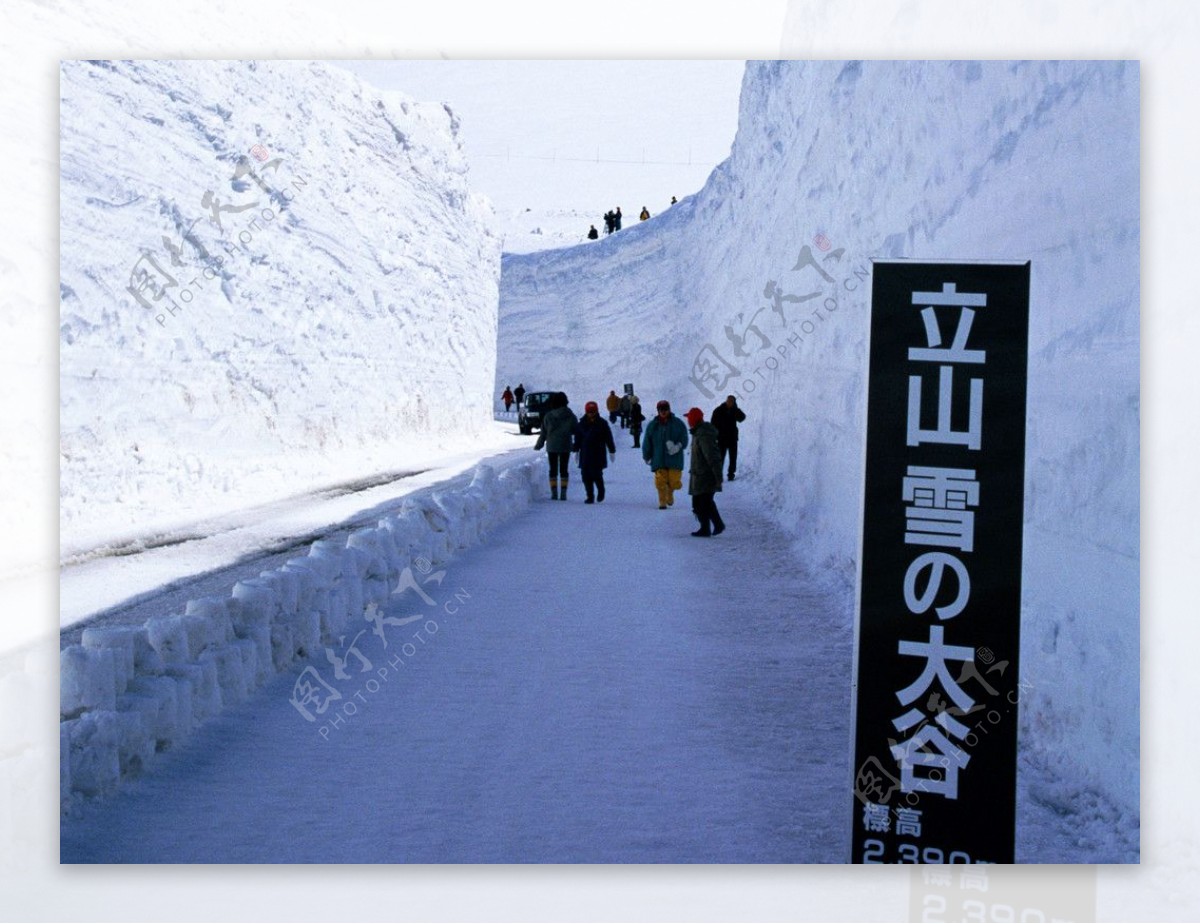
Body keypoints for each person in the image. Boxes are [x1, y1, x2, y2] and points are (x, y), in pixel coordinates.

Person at [684, 408, 725, 537]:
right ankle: (709, 527)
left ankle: (712, 526)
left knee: (702, 503)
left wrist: (717, 475)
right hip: (700, 475)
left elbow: (712, 456)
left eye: (689, 418)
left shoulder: (703, 435)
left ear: (693, 420)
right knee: (703, 503)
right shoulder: (698, 433)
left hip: (705, 476)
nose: (688, 421)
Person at [641, 399, 688, 509]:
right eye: (661, 410)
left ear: (669, 409)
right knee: (660, 481)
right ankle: (662, 502)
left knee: (674, 482)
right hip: (658, 459)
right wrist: (646, 456)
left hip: (675, 459)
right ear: (658, 411)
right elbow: (647, 441)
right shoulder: (652, 425)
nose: (663, 412)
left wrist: (678, 446)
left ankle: (670, 492)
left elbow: (684, 438)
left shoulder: (678, 423)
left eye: (665, 409)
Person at [534, 392, 578, 500]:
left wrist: (539, 445)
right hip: (565, 445)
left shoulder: (548, 416)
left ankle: (554, 493)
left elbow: (543, 433)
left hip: (552, 446)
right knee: (564, 469)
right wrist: (577, 444)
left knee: (553, 470)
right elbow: (576, 430)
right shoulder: (570, 415)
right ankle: (563, 493)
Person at [573, 401, 616, 504]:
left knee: (597, 475)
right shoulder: (581, 424)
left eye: (593, 412)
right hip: (585, 454)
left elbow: (608, 438)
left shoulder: (602, 423)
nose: (591, 414)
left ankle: (601, 490)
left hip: (598, 453)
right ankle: (590, 496)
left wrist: (612, 450)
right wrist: (575, 450)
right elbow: (577, 438)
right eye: (589, 412)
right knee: (585, 476)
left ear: (596, 411)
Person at [711, 394, 747, 481]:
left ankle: (731, 474)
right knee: (720, 458)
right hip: (721, 439)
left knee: (733, 458)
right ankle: (718, 476)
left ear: (734, 403)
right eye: (728, 401)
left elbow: (742, 418)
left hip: (732, 438)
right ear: (726, 401)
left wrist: (736, 409)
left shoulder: (734, 410)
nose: (729, 402)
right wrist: (714, 436)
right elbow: (713, 424)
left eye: (731, 401)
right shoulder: (718, 410)